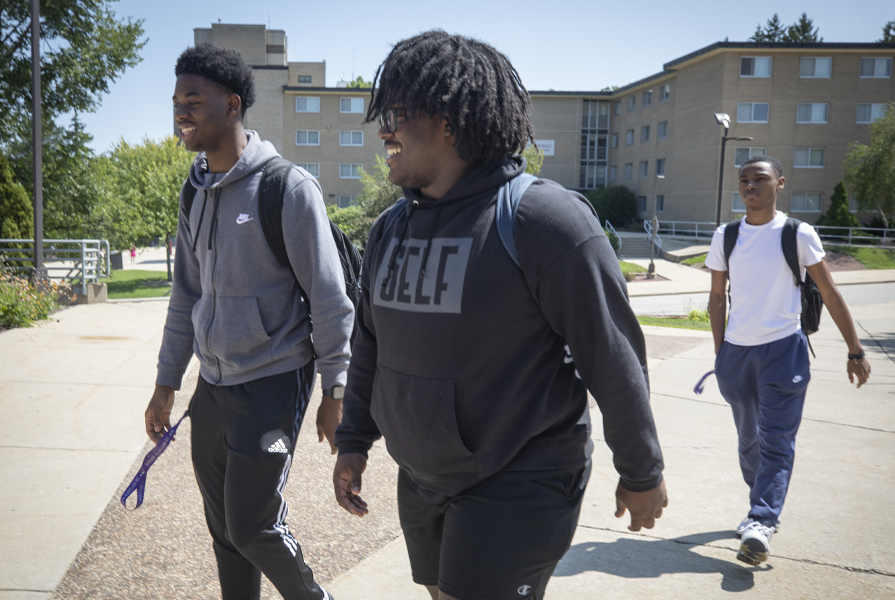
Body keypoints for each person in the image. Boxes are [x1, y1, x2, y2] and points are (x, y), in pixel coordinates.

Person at [332, 31, 667, 600]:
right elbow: (370, 344)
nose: (382, 128)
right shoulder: (392, 227)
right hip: (423, 477)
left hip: (521, 476)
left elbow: (613, 359)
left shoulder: (544, 220)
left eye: (397, 112)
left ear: (449, 121)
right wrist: (354, 440)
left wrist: (642, 472)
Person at [145, 43, 353, 600]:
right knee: (225, 532)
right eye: (176, 101)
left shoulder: (286, 188)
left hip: (271, 380)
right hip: (212, 387)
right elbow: (186, 295)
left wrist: (335, 390)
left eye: (193, 100)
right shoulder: (194, 191)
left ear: (232, 103)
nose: (180, 112)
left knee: (254, 526)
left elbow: (331, 299)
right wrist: (167, 384)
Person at [705, 155, 871, 566]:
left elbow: (830, 294)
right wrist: (721, 353)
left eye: (760, 179)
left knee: (776, 442)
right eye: (744, 180)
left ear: (780, 183)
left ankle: (761, 521)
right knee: (749, 440)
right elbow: (714, 298)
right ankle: (757, 506)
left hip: (784, 351)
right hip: (737, 356)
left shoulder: (797, 234)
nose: (750, 186)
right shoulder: (725, 236)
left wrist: (856, 350)